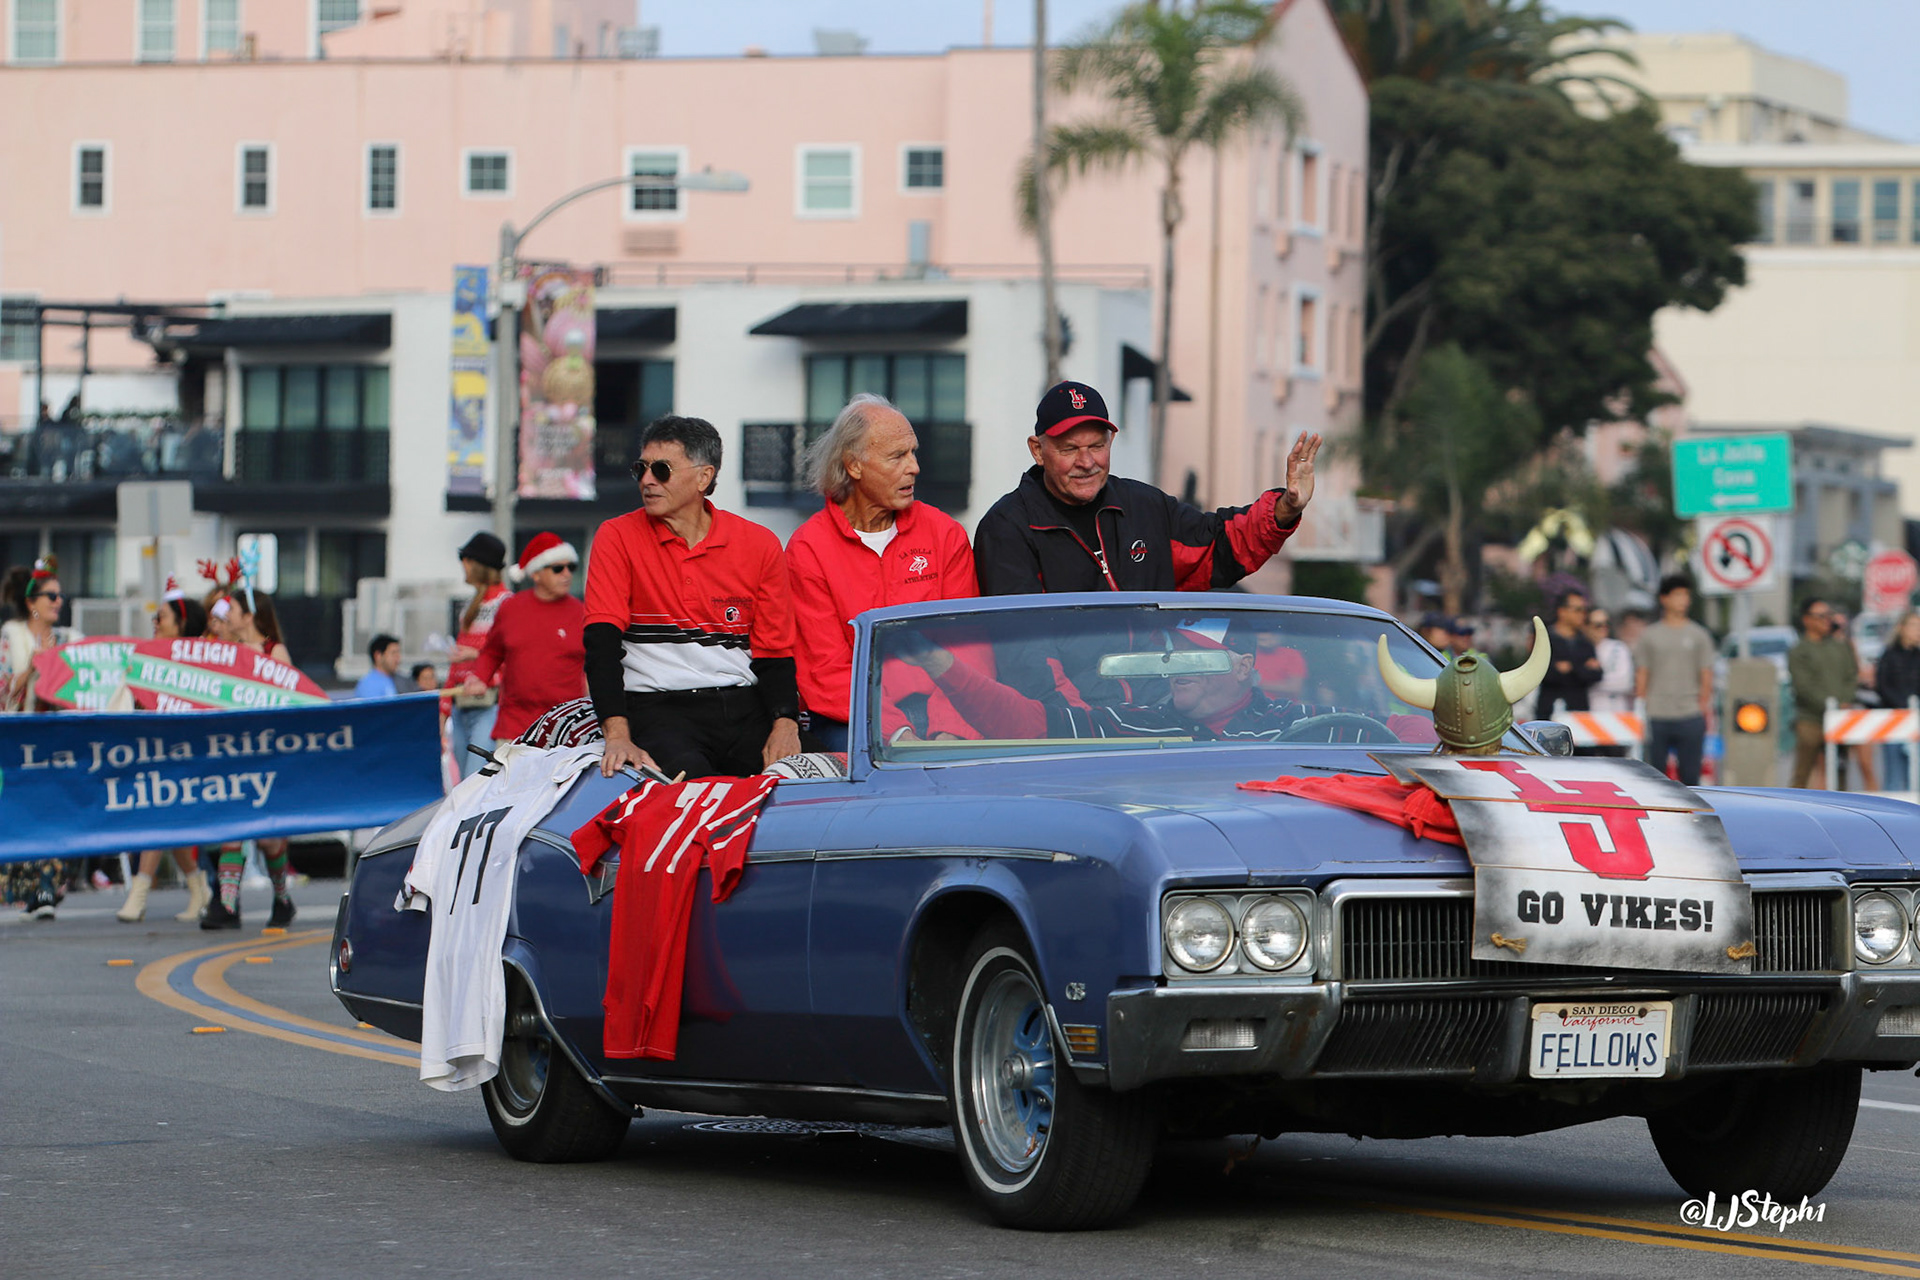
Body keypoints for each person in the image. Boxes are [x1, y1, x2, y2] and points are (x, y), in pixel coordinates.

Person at [585, 415, 800, 780]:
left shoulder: (760, 544)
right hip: (658, 708)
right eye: (641, 468)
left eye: (662, 470)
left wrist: (785, 724)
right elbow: (601, 644)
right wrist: (617, 736)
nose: (647, 480)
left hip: (743, 707)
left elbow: (774, 652)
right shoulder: (616, 537)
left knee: (812, 777)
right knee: (694, 784)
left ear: (704, 477)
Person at [974, 381, 1319, 598]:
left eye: (1096, 446)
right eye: (1069, 449)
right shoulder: (1007, 527)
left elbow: (1220, 545)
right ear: (1037, 450)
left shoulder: (1144, 506)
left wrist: (1286, 509)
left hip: (1154, 686)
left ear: (1112, 442)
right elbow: (1025, 647)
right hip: (1073, 696)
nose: (1086, 461)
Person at [786, 393, 977, 749]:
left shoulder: (945, 534)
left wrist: (948, 730)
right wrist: (899, 735)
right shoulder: (808, 548)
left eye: (913, 452)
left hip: (949, 712)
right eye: (897, 456)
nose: (914, 467)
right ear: (854, 466)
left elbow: (967, 646)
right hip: (853, 717)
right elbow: (825, 670)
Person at [201, 573, 297, 929]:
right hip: (234, 753)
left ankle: (282, 899)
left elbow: (292, 701)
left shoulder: (275, 652)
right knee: (233, 826)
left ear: (249, 616)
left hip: (268, 754)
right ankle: (226, 905)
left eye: (232, 610)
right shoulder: (228, 652)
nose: (226, 616)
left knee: (269, 839)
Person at [118, 578, 214, 924]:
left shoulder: (201, 662)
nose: (155, 623)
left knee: (158, 816)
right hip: (156, 751)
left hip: (187, 755)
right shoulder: (149, 659)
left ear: (181, 624)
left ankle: (139, 892)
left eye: (161, 617)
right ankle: (199, 887)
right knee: (170, 822)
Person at [459, 532, 587, 745]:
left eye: (571, 567)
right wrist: (479, 677)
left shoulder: (582, 613)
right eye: (558, 568)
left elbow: (597, 666)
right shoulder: (510, 608)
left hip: (566, 731)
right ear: (536, 574)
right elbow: (492, 651)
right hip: (514, 728)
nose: (566, 574)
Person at [2, 556, 77, 919]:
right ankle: (31, 889)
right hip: (19, 742)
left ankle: (47, 887)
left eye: (60, 596)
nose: (58, 602)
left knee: (55, 813)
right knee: (24, 816)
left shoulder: (70, 640)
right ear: (32, 602)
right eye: (51, 596)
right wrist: (31, 667)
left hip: (59, 741)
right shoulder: (9, 638)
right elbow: (4, 694)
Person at [1633, 575, 1715, 785]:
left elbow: (1706, 673)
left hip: (1690, 714)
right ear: (1664, 598)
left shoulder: (1699, 635)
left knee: (1690, 779)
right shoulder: (1650, 635)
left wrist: (1702, 706)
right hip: (1656, 714)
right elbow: (1643, 672)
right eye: (1678, 594)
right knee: (1653, 779)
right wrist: (1641, 706)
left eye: (1686, 595)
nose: (1683, 600)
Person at [445, 532, 510, 779]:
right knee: (465, 784)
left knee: (475, 783)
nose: (463, 565)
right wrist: (444, 709)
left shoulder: (506, 603)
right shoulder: (470, 607)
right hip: (461, 705)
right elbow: (455, 663)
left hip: (489, 705)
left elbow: (513, 658)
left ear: (478, 564)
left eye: (467, 560)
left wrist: (475, 654)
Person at [1787, 598, 1858, 789]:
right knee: (1802, 773)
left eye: (1829, 615)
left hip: (1840, 717)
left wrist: (1844, 701)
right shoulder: (1799, 651)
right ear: (1807, 620)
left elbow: (1851, 676)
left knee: (1840, 770)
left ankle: (1841, 806)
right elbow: (1803, 686)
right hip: (1811, 719)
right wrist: (1829, 705)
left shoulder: (1840, 646)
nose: (1827, 620)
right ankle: (1795, 806)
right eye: (1821, 616)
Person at [1829, 610, 1879, 792]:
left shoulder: (1850, 646)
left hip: (1854, 710)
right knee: (1830, 769)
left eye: (1843, 626)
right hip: (1831, 711)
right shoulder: (1823, 648)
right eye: (1835, 625)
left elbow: (1859, 674)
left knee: (1865, 765)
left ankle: (1874, 802)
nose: (1839, 629)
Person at [1537, 588, 1602, 716]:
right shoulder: (1545, 638)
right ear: (1562, 611)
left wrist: (1570, 668)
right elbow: (1540, 671)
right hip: (1550, 710)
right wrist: (1581, 667)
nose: (1582, 614)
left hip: (1578, 711)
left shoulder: (1585, 642)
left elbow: (1596, 674)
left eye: (1585, 610)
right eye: (1578, 610)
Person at [1876, 611, 1920, 792]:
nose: (1918, 630)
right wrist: (1903, 707)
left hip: (1916, 721)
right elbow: (1883, 686)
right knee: (1894, 777)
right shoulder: (1889, 655)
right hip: (1893, 719)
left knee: (1915, 777)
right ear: (1901, 628)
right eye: (1914, 626)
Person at [1586, 606, 1636, 714]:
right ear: (1586, 626)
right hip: (1587, 711)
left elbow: (1625, 682)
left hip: (1616, 711)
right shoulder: (1580, 648)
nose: (1603, 628)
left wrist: (1590, 680)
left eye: (1606, 624)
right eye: (1598, 625)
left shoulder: (1619, 648)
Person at [354, 634, 402, 698]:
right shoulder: (370, 685)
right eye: (393, 653)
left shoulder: (391, 680)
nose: (398, 659)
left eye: (398, 653)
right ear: (378, 656)